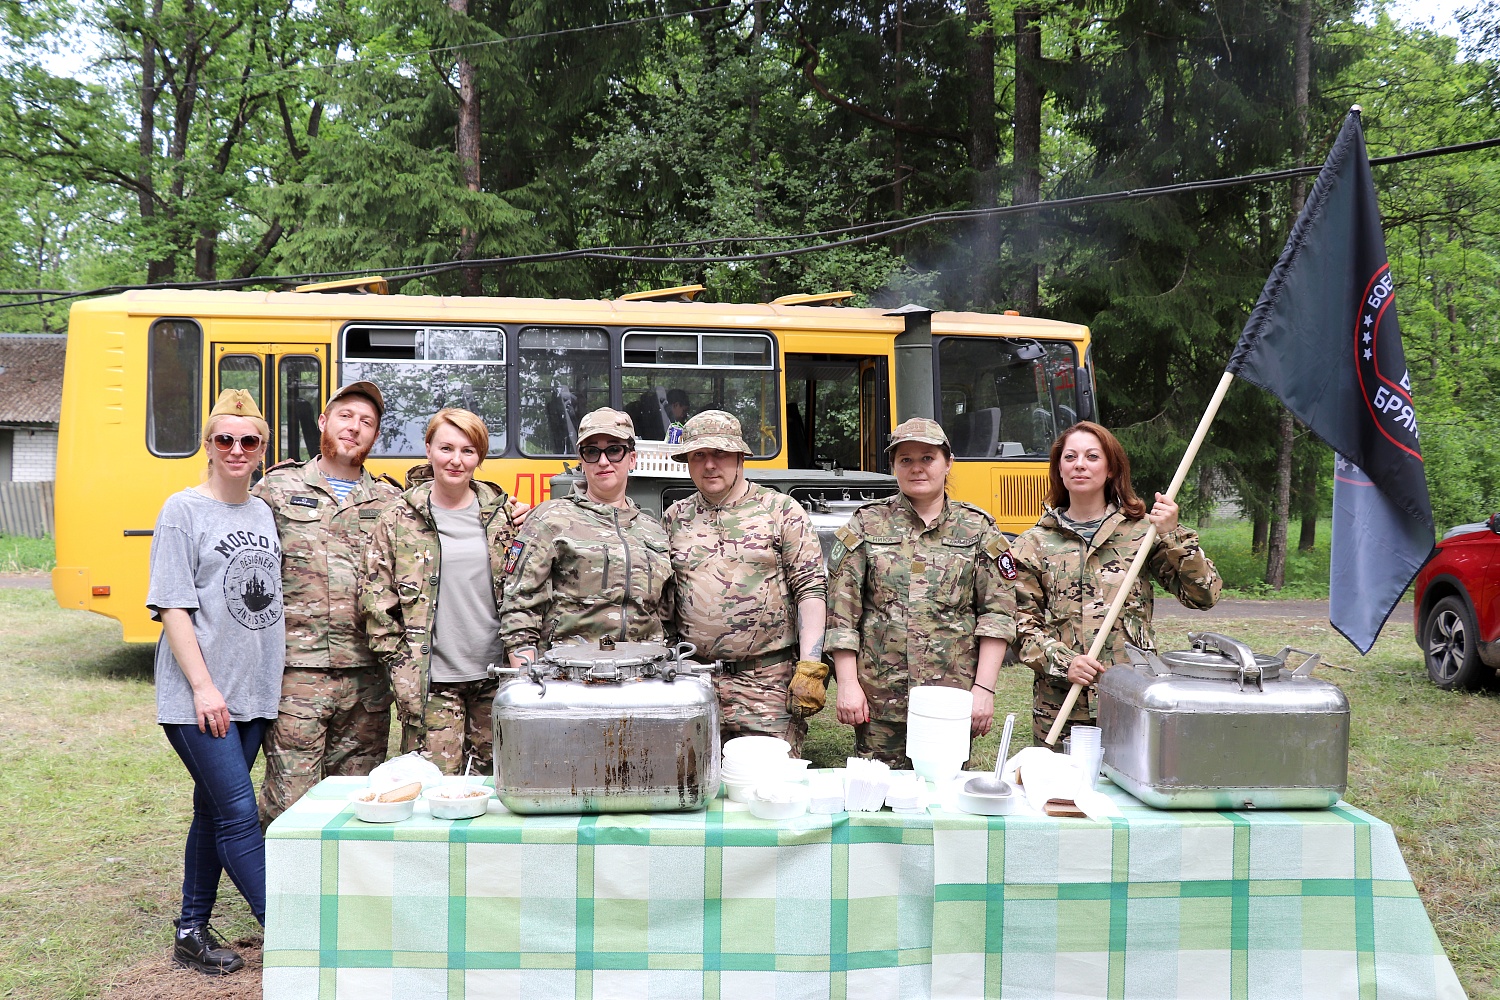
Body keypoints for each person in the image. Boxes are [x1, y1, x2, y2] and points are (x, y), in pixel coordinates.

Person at [147, 389, 285, 975]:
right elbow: (173, 606)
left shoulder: (262, 513)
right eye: (223, 438)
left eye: (247, 440)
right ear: (207, 445)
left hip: (252, 693)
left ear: (261, 449)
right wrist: (204, 687)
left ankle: (190, 931)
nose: (235, 448)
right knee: (237, 815)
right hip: (201, 697)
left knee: (211, 813)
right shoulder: (182, 510)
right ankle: (291, 928)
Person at [1011, 420, 1223, 747]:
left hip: (1132, 699)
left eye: (1092, 456)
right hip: (1062, 707)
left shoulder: (1143, 533)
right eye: (1070, 457)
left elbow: (1204, 594)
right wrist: (1064, 662)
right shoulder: (1032, 544)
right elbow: (1019, 626)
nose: (1080, 464)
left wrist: (1172, 533)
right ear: (1059, 469)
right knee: (1060, 796)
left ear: (1111, 468)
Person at [825, 417, 1016, 767]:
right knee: (879, 802)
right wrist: (848, 684)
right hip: (881, 698)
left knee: (945, 801)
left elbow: (997, 615)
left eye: (927, 458)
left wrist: (984, 690)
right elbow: (841, 615)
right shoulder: (867, 524)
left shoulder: (977, 529)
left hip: (952, 697)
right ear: (894, 466)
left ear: (948, 462)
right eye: (905, 460)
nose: (917, 468)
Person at [252, 381, 401, 826]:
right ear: (323, 422)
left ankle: (345, 894)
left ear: (375, 436)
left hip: (368, 681)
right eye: (345, 416)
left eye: (367, 422)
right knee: (288, 803)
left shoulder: (391, 502)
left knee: (357, 805)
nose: (354, 428)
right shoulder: (277, 490)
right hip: (297, 676)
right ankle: (278, 896)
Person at [361, 408, 520, 775]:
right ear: (429, 449)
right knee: (435, 791)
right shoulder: (398, 519)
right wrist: (402, 668)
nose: (456, 460)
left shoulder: (502, 517)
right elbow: (376, 605)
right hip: (433, 685)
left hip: (494, 682)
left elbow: (522, 592)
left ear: (479, 457)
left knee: (497, 791)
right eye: (446, 448)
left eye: (468, 450)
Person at [664, 411, 827, 755]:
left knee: (764, 789)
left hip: (766, 684)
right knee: (690, 785)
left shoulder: (781, 511)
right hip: (694, 681)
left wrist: (810, 667)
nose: (710, 465)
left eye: (720, 454)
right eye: (698, 455)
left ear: (740, 456)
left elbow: (810, 588)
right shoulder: (674, 518)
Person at [502, 407, 674, 670]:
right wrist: (526, 678)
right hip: (568, 675)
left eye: (614, 450)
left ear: (632, 458)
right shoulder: (551, 519)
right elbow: (519, 606)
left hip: (643, 676)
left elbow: (665, 614)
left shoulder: (654, 531)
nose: (603, 461)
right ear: (582, 461)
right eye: (592, 452)